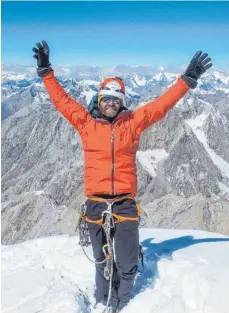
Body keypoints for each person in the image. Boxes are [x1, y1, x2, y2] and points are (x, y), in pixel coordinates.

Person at [32, 41, 212, 313]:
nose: (112, 104)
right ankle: (102, 300)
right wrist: (46, 71)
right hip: (95, 202)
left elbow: (161, 106)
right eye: (107, 99)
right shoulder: (86, 124)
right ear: (100, 100)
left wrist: (186, 81)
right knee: (101, 260)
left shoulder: (133, 123)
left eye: (117, 100)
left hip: (125, 203)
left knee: (126, 262)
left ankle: (123, 302)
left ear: (122, 103)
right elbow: (62, 101)